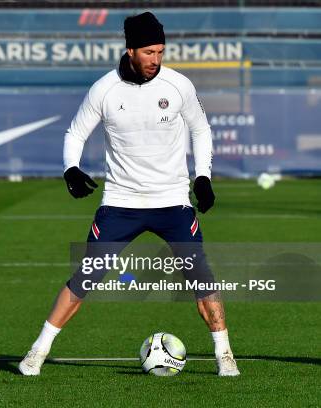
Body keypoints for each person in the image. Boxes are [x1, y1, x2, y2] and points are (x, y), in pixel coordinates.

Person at [18, 12, 240, 377]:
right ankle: (37, 352)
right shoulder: (105, 89)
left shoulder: (178, 85)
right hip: (121, 204)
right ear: (131, 50)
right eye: (149, 52)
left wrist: (203, 177)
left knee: (201, 277)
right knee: (85, 278)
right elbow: (75, 133)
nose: (156, 59)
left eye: (161, 51)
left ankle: (225, 355)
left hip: (173, 202)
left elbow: (201, 130)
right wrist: (70, 168)